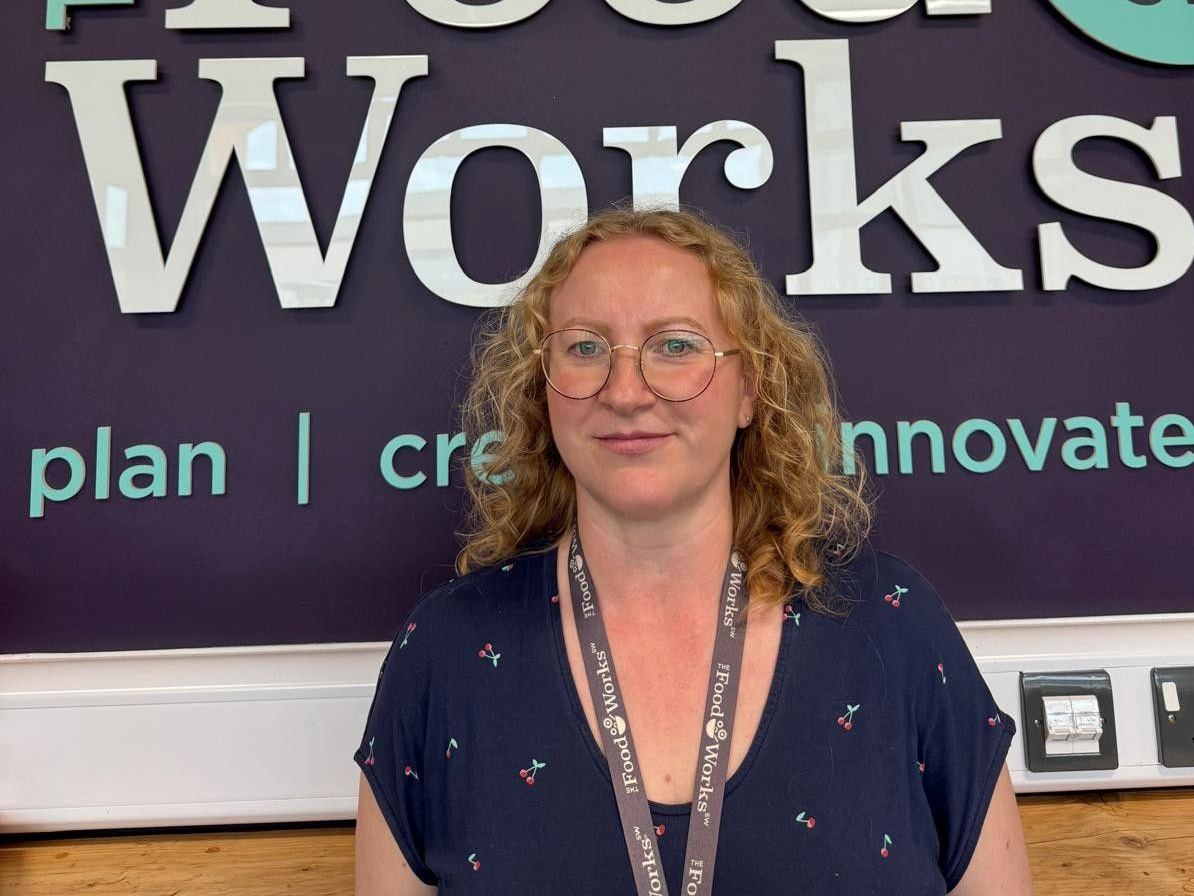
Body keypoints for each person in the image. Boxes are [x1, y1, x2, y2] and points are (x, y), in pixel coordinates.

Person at [354, 207, 1034, 895]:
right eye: (585, 347)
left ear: (749, 390)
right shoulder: (445, 654)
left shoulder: (891, 627)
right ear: (543, 390)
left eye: (676, 345)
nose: (625, 392)